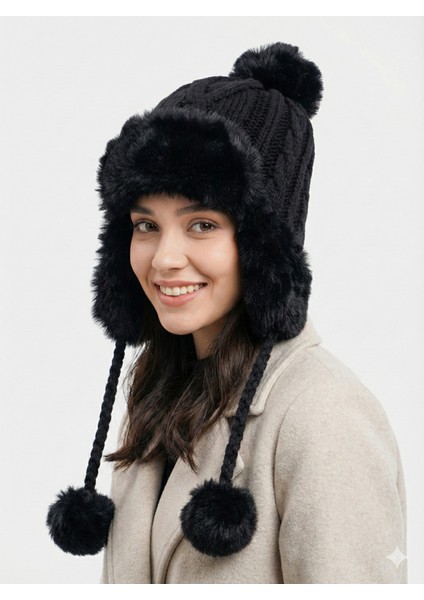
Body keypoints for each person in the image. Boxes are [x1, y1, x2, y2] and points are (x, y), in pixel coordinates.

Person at [46, 41, 407, 584]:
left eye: (202, 225)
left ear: (265, 249)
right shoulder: (154, 395)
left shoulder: (324, 415)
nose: (164, 259)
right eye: (146, 225)